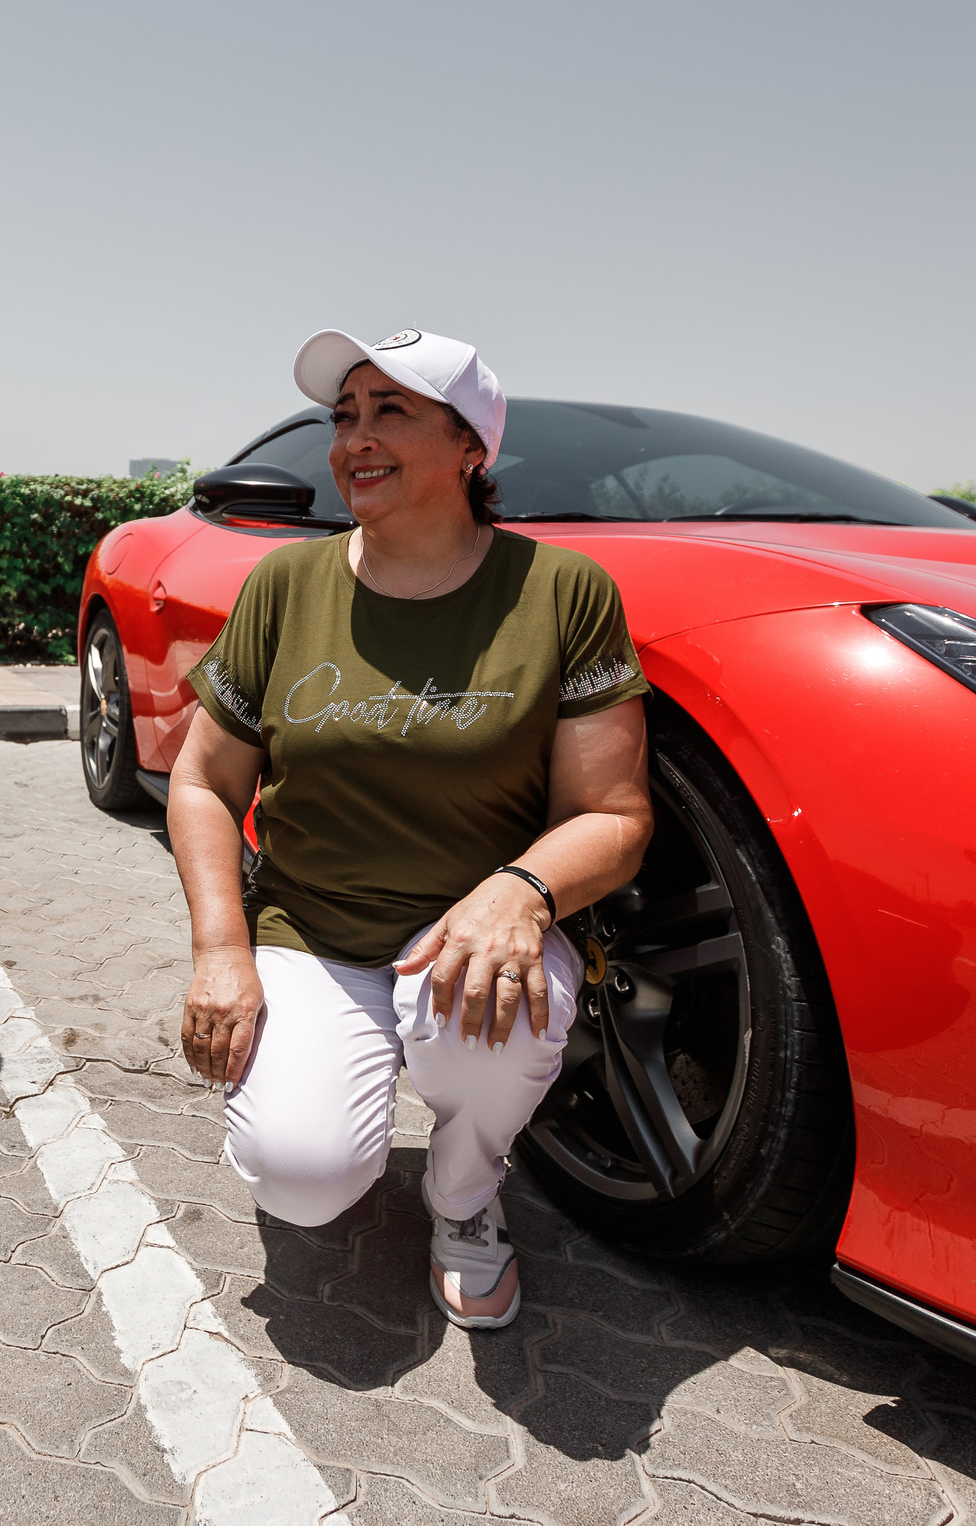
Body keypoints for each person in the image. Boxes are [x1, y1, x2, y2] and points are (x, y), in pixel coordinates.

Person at [168, 328, 655, 1328]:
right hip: (313, 934)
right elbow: (202, 782)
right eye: (344, 414)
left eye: (391, 410)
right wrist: (221, 951)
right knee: (300, 1178)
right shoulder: (285, 587)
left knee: (493, 1010)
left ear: (471, 445)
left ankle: (465, 1193)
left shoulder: (562, 593)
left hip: (476, 933)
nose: (355, 437)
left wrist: (522, 891)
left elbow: (614, 816)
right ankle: (329, 1097)